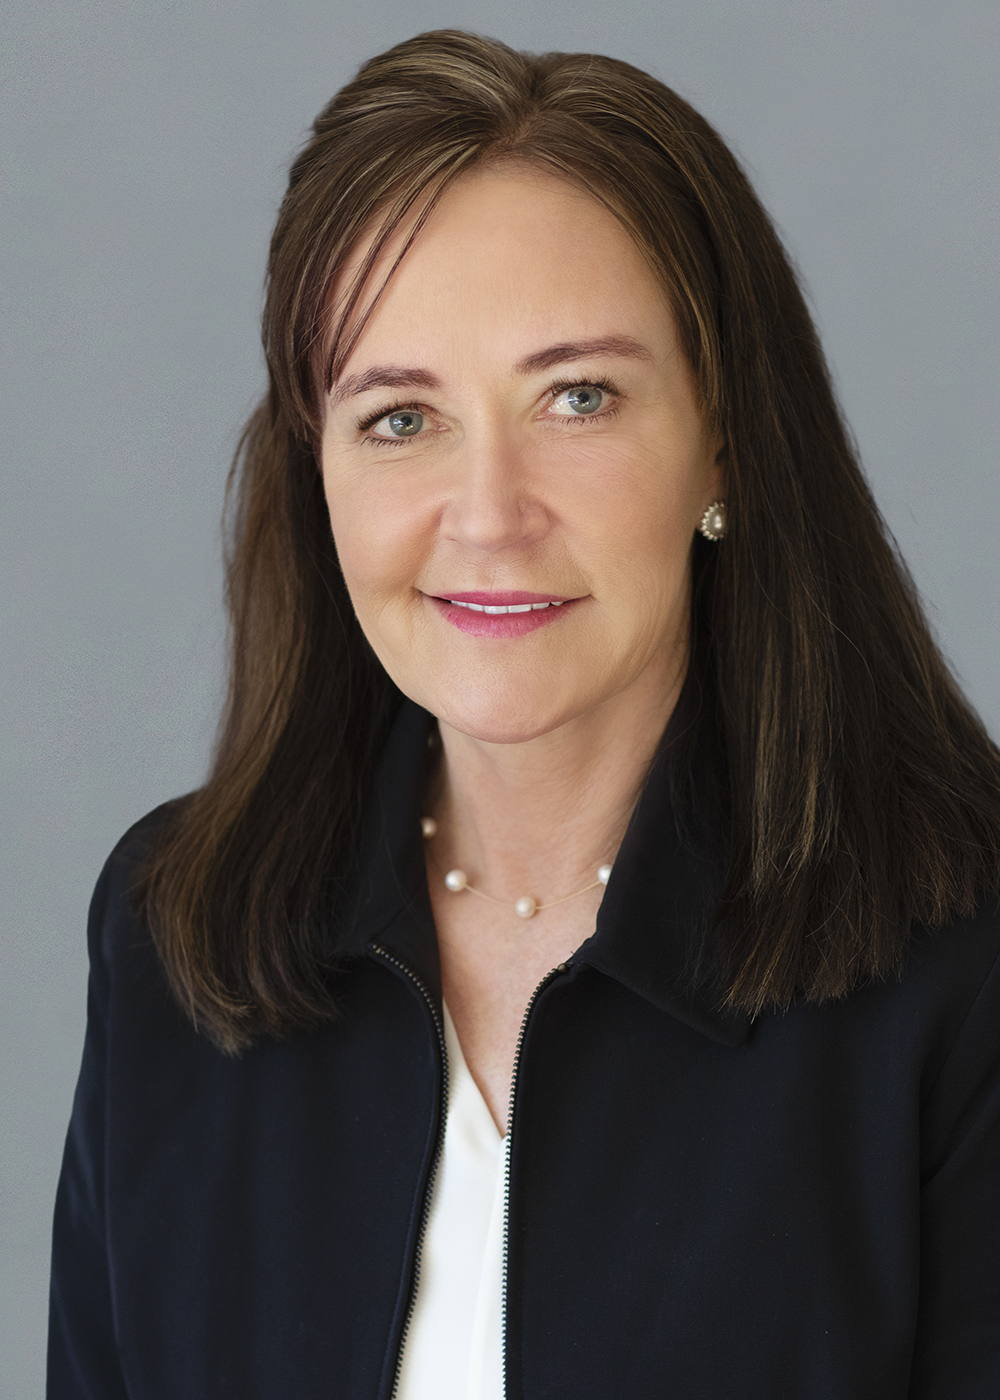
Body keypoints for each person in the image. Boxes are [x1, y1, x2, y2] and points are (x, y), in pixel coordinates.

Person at [48, 28, 1000, 1400]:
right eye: (398, 418)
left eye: (578, 397)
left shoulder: (962, 966)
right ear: (316, 468)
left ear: (723, 440)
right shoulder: (173, 936)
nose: (489, 514)